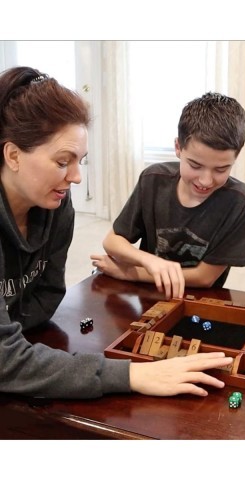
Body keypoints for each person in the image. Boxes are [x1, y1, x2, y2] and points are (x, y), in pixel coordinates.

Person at [0, 66, 232, 400]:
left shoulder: (57, 208)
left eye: (81, 160)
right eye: (63, 161)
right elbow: (6, 361)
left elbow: (49, 293)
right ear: (13, 155)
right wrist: (132, 374)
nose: (77, 177)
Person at [90, 92, 245, 300]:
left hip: (201, 302)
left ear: (236, 156)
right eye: (195, 165)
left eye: (221, 169)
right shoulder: (153, 179)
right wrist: (151, 261)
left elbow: (205, 278)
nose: (206, 180)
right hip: (149, 297)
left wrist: (130, 273)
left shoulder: (242, 203)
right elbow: (112, 241)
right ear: (178, 147)